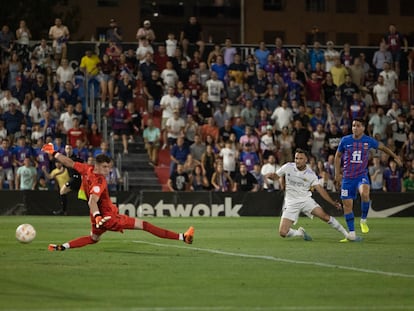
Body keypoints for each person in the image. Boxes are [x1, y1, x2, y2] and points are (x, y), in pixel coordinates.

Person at [41, 144, 194, 251]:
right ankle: (183, 237)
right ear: (99, 166)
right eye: (106, 167)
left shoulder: (87, 169)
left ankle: (62, 247)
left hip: (97, 219)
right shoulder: (99, 181)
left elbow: (69, 162)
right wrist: (99, 216)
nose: (108, 170)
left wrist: (53, 152)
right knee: (145, 225)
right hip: (108, 217)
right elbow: (92, 200)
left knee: (93, 239)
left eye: (109, 167)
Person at [334, 118, 403, 241]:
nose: (355, 127)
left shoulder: (368, 140)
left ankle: (363, 220)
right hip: (348, 178)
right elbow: (337, 156)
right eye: (353, 125)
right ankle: (352, 233)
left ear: (363, 128)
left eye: (358, 125)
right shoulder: (345, 140)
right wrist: (337, 174)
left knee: (365, 193)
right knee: (347, 205)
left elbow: (383, 147)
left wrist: (395, 156)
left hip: (361, 175)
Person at [275, 148, 350, 242]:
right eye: (296, 158)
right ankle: (300, 233)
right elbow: (276, 176)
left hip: (306, 200)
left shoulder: (310, 174)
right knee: (282, 233)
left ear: (306, 160)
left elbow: (320, 190)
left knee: (325, 216)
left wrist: (332, 202)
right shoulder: (288, 166)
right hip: (291, 202)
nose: (297, 161)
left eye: (300, 158)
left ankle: (347, 235)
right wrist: (271, 176)